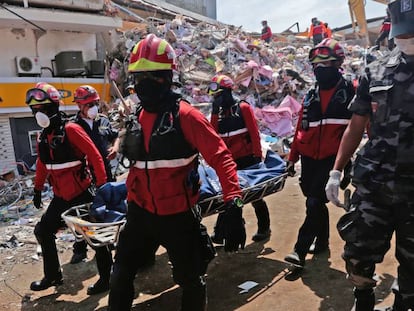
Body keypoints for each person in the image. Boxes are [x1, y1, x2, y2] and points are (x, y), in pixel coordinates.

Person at [108, 34, 246, 311]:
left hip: (177, 215)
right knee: (120, 273)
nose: (144, 84)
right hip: (139, 213)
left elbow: (221, 158)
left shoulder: (187, 116)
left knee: (190, 279)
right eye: (139, 77)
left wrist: (235, 203)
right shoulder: (137, 116)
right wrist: (116, 147)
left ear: (169, 77)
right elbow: (129, 144)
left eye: (154, 76)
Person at [325, 1, 414, 309]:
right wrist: (336, 170)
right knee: (358, 255)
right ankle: (362, 300)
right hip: (375, 184)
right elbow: (356, 125)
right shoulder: (375, 71)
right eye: (404, 33)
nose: (408, 39)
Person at [26, 82, 107, 291]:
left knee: (95, 236)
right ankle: (52, 277)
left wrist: (102, 187)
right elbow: (42, 163)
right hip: (61, 197)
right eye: (35, 110)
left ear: (53, 108)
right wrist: (37, 188)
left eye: (43, 109)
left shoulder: (71, 129)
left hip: (82, 193)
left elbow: (95, 156)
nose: (39, 114)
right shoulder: (43, 137)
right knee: (43, 230)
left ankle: (107, 278)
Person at [284, 38, 354, 268]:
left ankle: (299, 250)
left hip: (333, 160)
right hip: (309, 158)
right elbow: (299, 130)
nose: (319, 69)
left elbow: (364, 125)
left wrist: (353, 163)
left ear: (337, 64)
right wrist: (291, 158)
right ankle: (322, 242)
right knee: (312, 201)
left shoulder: (350, 91)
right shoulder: (310, 95)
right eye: (316, 65)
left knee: (314, 202)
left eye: (325, 64)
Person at [208, 74, 271, 242]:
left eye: (219, 95)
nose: (217, 99)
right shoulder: (219, 114)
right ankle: (220, 231)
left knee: (255, 195)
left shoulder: (242, 108)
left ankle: (264, 228)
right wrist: (214, 112)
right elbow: (213, 135)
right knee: (228, 196)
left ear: (228, 92)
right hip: (228, 162)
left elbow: (254, 134)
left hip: (247, 159)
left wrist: (257, 157)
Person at [69, 85, 120, 295]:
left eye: (95, 103)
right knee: (87, 221)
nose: (93, 107)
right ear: (80, 105)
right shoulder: (73, 126)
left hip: (107, 176)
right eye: (89, 104)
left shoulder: (103, 121)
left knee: (112, 215)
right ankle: (80, 249)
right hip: (87, 181)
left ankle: (112, 248)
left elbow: (116, 135)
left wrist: (116, 147)